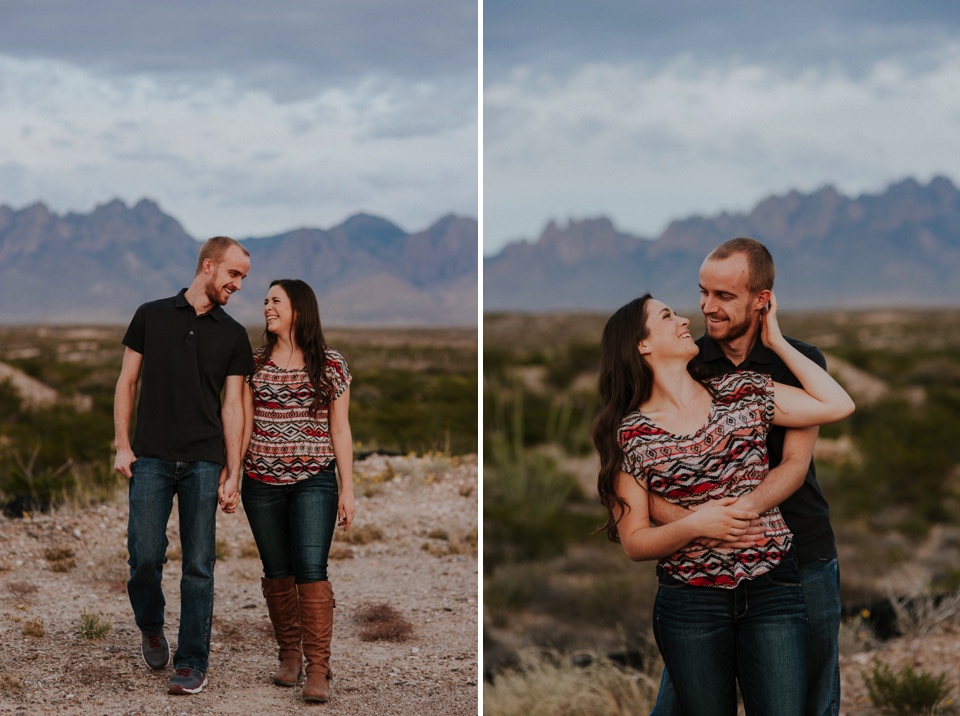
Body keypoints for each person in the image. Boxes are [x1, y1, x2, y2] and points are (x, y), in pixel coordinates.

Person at [593, 290, 854, 716]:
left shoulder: (744, 391)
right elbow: (635, 542)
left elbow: (839, 404)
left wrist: (778, 342)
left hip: (773, 587)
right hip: (690, 601)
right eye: (666, 316)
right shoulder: (628, 436)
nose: (683, 318)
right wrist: (698, 525)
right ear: (642, 344)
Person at [649, 238, 844, 716]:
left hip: (801, 554)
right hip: (703, 564)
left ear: (763, 300)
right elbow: (644, 474)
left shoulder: (800, 362)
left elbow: (795, 465)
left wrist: (739, 517)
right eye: (703, 292)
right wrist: (704, 527)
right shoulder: (685, 364)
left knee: (810, 699)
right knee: (681, 703)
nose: (706, 307)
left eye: (724, 296)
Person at [113, 236, 253, 695]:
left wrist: (233, 471)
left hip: (203, 461)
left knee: (198, 565)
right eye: (233, 274)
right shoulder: (150, 314)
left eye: (243, 278)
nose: (237, 285)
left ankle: (193, 662)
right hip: (150, 456)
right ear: (208, 266)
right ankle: (151, 627)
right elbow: (127, 380)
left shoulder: (233, 334)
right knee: (144, 556)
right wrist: (121, 444)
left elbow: (233, 406)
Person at [231, 278, 355, 704]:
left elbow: (340, 428)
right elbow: (244, 424)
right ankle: (290, 656)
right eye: (264, 301)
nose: (266, 307)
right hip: (260, 480)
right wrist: (232, 476)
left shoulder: (332, 364)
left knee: (311, 568)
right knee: (276, 567)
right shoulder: (255, 363)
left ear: (299, 309)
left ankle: (318, 669)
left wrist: (348, 488)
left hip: (315, 479)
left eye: (276, 301)